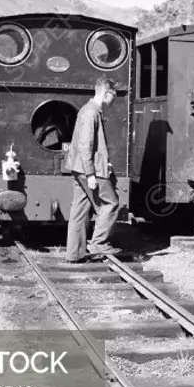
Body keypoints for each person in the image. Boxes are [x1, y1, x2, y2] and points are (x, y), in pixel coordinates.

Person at [65, 76, 121, 263]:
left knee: (80, 210)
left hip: (79, 167)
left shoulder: (88, 110)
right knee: (111, 203)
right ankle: (99, 244)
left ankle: (75, 253)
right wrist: (90, 174)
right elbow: (85, 145)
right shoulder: (91, 113)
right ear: (106, 93)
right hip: (89, 169)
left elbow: (92, 146)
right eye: (113, 95)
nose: (114, 99)